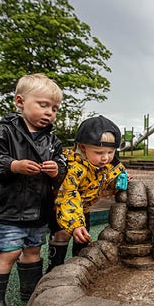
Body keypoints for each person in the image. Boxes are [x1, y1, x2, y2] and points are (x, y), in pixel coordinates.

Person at [0, 73, 66, 306]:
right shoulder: (5, 132)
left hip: (37, 208)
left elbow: (63, 163)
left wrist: (56, 168)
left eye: (54, 108)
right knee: (10, 251)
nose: (49, 112)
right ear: (20, 101)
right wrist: (12, 165)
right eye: (43, 105)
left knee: (34, 251)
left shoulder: (51, 141)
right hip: (9, 207)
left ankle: (31, 292)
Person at [46, 115, 126, 273]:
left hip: (84, 208)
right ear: (82, 147)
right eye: (99, 152)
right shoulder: (73, 167)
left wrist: (115, 185)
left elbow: (101, 186)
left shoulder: (106, 165)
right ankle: (54, 269)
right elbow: (68, 194)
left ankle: (79, 267)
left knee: (83, 236)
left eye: (110, 152)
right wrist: (75, 224)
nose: (105, 158)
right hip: (62, 207)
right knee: (62, 234)